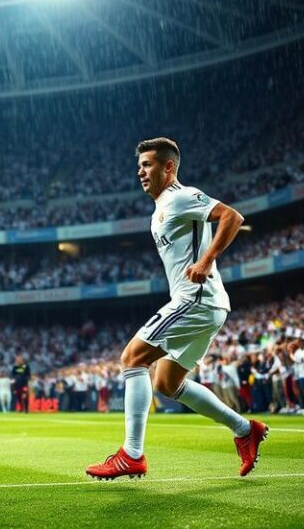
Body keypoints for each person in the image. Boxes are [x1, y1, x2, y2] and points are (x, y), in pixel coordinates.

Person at [86, 138, 268, 480]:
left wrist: (207, 259)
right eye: (139, 165)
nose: (140, 171)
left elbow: (231, 215)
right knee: (167, 383)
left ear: (169, 167)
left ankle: (131, 455)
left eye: (148, 165)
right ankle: (245, 429)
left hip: (195, 299)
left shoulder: (181, 196)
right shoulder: (159, 210)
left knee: (132, 358)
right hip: (203, 304)